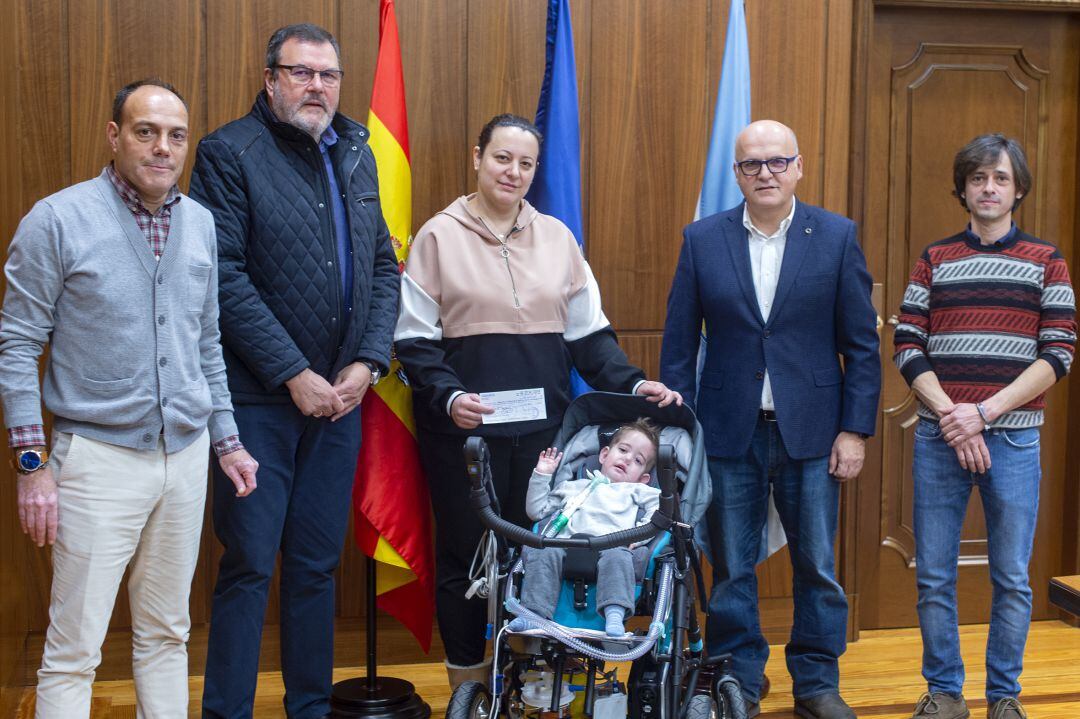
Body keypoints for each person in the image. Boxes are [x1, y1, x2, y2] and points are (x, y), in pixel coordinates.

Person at [394, 113, 681, 689]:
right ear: (478, 156)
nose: (514, 172)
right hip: (463, 433)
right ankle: (469, 688)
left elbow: (591, 339)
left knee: (536, 554)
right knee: (468, 559)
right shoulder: (437, 234)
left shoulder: (557, 237)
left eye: (526, 163)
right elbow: (414, 341)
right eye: (503, 158)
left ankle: (528, 682)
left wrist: (632, 385)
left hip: (542, 436)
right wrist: (449, 398)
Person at [0, 79, 258, 719]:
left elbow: (206, 343)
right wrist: (33, 469)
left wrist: (226, 443)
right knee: (74, 649)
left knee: (168, 633)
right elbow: (16, 345)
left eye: (175, 135)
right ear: (115, 136)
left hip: (187, 459)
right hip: (94, 461)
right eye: (145, 131)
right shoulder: (57, 220)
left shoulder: (200, 224)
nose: (162, 147)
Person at [189, 23, 400, 719]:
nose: (318, 87)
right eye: (302, 73)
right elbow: (225, 277)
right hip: (258, 403)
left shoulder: (358, 152)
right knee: (249, 564)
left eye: (329, 75)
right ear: (272, 78)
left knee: (314, 567)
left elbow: (380, 269)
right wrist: (293, 373)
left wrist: (368, 362)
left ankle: (309, 706)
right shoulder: (228, 152)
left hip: (342, 401)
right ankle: (229, 711)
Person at [660, 120, 881, 719]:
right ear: (736, 174)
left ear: (798, 167)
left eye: (777, 162)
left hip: (812, 431)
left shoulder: (835, 236)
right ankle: (739, 676)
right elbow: (679, 344)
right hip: (728, 429)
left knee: (818, 565)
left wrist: (855, 430)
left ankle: (815, 681)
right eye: (752, 164)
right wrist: (680, 432)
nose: (765, 173)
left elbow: (861, 345)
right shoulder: (703, 239)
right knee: (731, 564)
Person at [893, 134, 1075, 719]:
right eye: (978, 179)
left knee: (1013, 579)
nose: (988, 188)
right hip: (939, 438)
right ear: (963, 188)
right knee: (935, 578)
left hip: (1015, 439)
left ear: (1017, 187)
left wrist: (985, 413)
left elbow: (1060, 353)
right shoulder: (935, 258)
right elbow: (906, 343)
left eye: (999, 178)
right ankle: (945, 693)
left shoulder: (1047, 261)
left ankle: (1004, 698)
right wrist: (954, 416)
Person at [509, 418, 662, 637]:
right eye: (623, 450)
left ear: (644, 479)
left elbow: (660, 509)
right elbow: (537, 511)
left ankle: (615, 615)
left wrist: (639, 535)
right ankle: (532, 614)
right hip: (565, 545)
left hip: (611, 545)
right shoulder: (572, 487)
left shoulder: (635, 491)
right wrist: (542, 474)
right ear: (604, 455)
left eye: (638, 460)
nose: (627, 459)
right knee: (540, 551)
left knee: (619, 558)